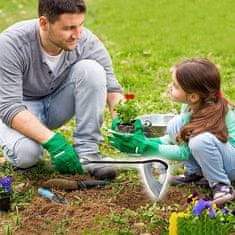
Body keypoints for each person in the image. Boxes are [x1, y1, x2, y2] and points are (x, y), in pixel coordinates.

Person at [0, 0, 123, 180]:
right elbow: (9, 107)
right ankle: (30, 141)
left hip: (57, 102)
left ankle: (88, 154)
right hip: (21, 109)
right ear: (44, 23)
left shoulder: (85, 40)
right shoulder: (10, 44)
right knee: (27, 155)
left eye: (80, 25)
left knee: (92, 70)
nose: (77, 34)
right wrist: (54, 142)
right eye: (68, 28)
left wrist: (122, 123)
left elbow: (113, 89)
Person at [110, 58, 235, 204]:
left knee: (199, 141)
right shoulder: (190, 105)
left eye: (175, 86)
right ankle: (195, 173)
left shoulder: (216, 111)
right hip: (217, 154)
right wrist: (148, 141)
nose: (170, 86)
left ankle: (221, 185)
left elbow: (185, 151)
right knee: (177, 124)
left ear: (193, 96)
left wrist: (148, 148)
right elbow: (177, 138)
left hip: (231, 164)